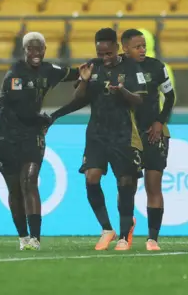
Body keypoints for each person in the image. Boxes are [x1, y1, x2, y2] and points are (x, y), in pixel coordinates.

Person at [50, 28, 147, 251]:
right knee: (91, 178)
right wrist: (82, 83)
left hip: (123, 133)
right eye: (100, 53)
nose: (104, 57)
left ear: (116, 48)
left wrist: (123, 92)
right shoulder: (92, 67)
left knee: (125, 183)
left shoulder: (131, 68)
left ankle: (124, 235)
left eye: (108, 53)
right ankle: (107, 229)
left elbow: (140, 100)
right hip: (96, 134)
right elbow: (79, 100)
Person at [0, 32, 80, 251]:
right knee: (15, 190)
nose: (35, 53)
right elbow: (21, 109)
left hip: (31, 135)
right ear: (25, 51)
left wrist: (94, 67)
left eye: (39, 48)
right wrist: (46, 119)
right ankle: (22, 237)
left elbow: (74, 73)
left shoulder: (49, 71)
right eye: (31, 48)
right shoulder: (15, 74)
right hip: (5, 136)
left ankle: (35, 238)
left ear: (45, 50)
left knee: (30, 182)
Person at [120, 29, 176, 251]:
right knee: (127, 186)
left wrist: (160, 122)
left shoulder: (157, 67)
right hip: (127, 135)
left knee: (154, 185)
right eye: (137, 47)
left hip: (154, 133)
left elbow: (169, 97)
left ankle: (152, 238)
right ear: (125, 48)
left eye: (143, 46)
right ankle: (124, 234)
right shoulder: (119, 69)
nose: (142, 50)